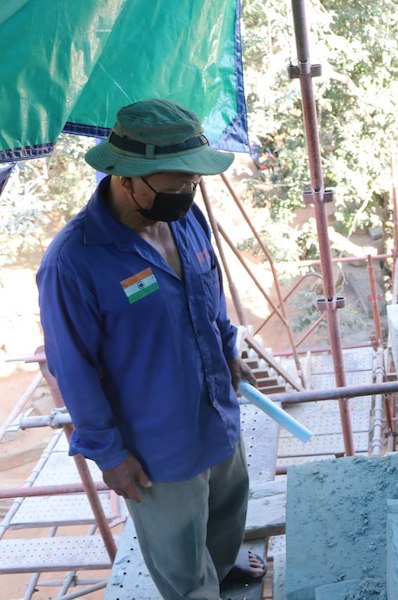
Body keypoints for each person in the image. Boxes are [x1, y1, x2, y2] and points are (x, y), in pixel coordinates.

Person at [37, 99, 266, 599]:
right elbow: (73, 370)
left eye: (194, 181)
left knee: (228, 507)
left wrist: (228, 349)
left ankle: (223, 566)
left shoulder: (185, 220)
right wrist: (110, 455)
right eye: (177, 181)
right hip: (158, 444)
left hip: (215, 409)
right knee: (180, 556)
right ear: (128, 178)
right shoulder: (73, 262)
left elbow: (211, 293)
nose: (189, 191)